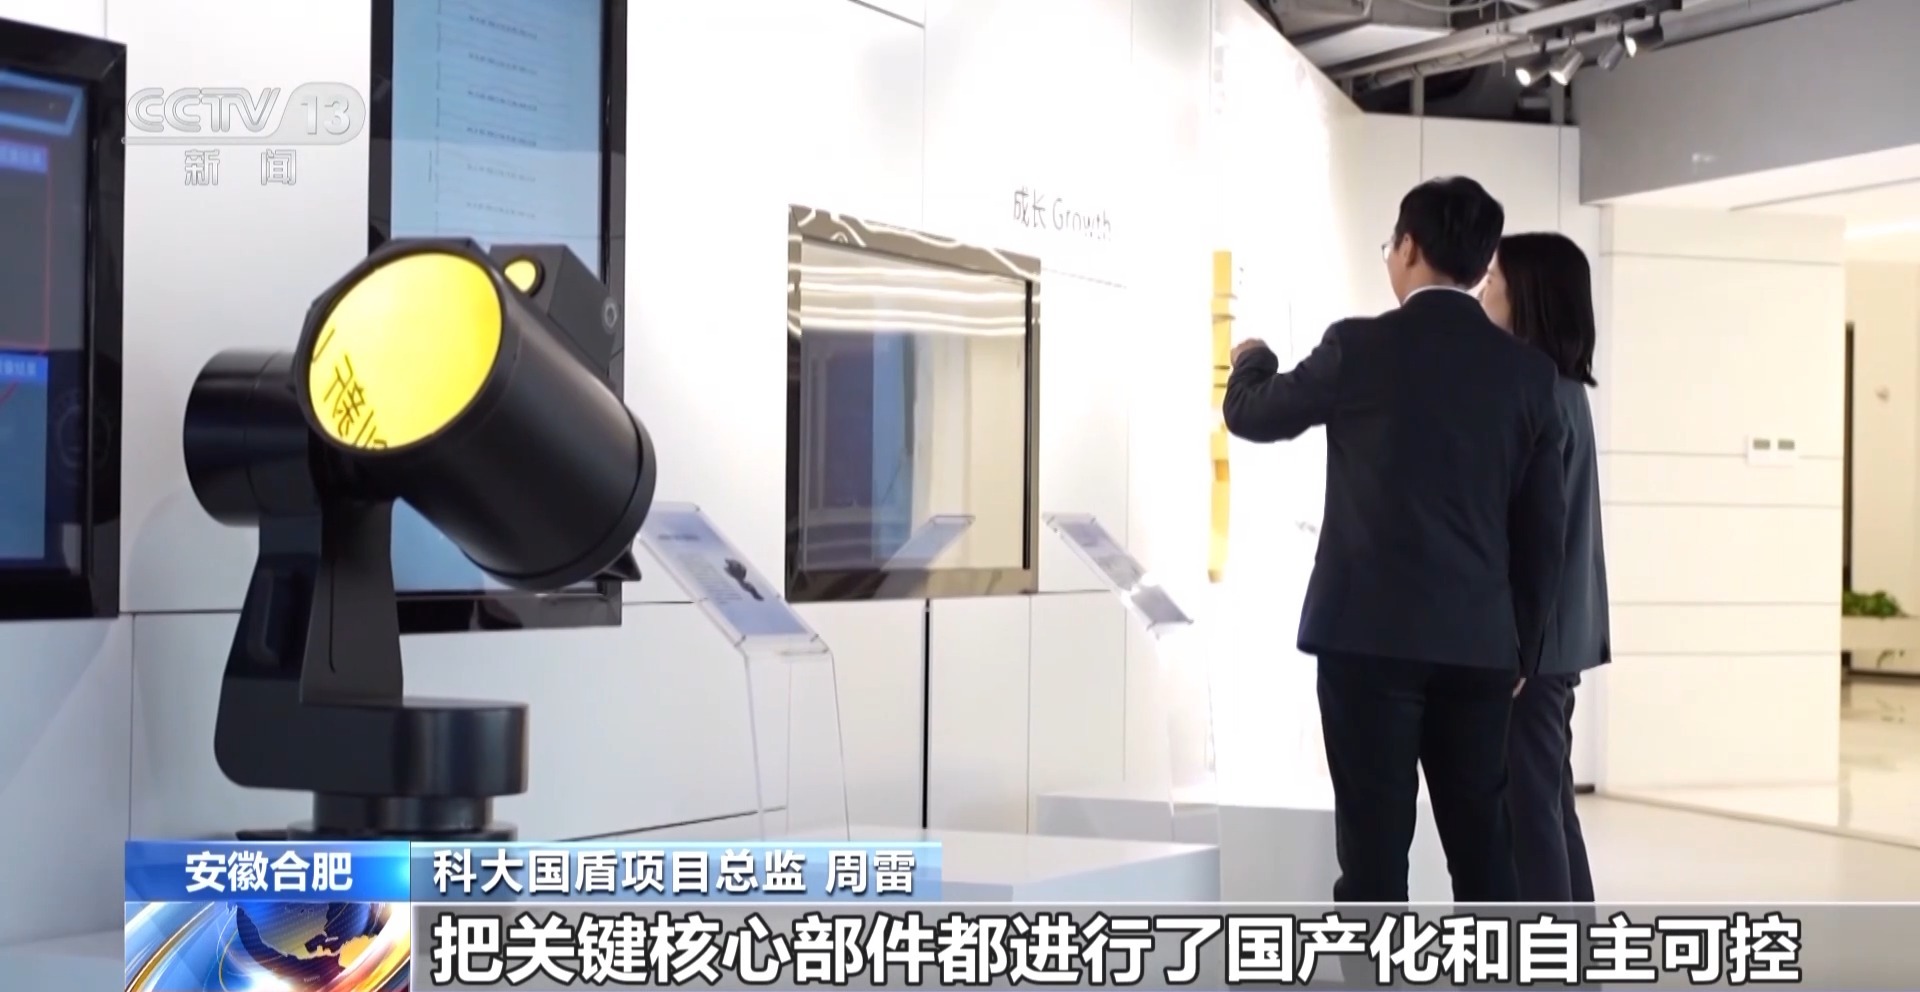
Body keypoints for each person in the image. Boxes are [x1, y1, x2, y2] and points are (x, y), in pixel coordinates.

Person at [1221, 176, 1568, 904]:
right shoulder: (1529, 376)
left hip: (1367, 642)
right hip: (1478, 649)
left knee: (1374, 862)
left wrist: (1251, 355)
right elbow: (1543, 534)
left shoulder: (1358, 348)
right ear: (1480, 263)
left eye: (1391, 243)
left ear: (1408, 247)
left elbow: (1253, 413)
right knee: (1485, 857)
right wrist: (1522, 649)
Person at [1478, 232, 1610, 903]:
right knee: (1550, 802)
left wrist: (1518, 647)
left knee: (1529, 810)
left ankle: (1545, 950)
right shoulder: (1564, 389)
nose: (1481, 292)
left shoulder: (1534, 395)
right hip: (1557, 638)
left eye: (1493, 281)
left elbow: (1535, 534)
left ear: (1524, 297)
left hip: (1534, 644)